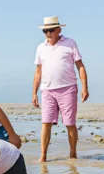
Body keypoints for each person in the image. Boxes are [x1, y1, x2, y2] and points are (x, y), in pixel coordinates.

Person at [32, 16, 89, 162]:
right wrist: (34, 92)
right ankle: (43, 156)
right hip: (47, 90)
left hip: (68, 88)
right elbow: (38, 71)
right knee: (46, 123)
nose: (48, 33)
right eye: (45, 30)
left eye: (51, 30)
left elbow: (80, 66)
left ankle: (72, 153)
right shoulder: (40, 48)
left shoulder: (70, 43)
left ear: (59, 30)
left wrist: (85, 87)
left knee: (70, 123)